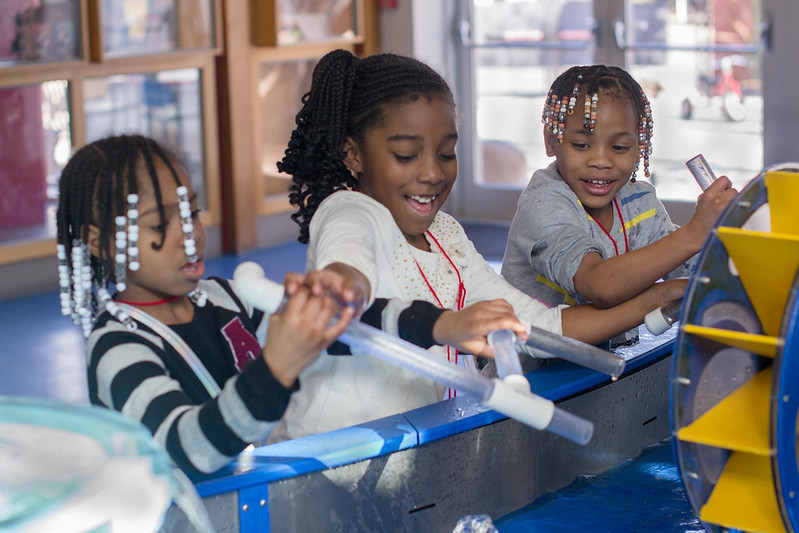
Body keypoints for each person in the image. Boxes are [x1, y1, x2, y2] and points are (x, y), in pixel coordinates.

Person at [269, 50, 687, 441]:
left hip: (417, 441)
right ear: (353, 155)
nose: (432, 173)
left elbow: (539, 327)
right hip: (334, 452)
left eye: (446, 153)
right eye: (407, 155)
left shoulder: (445, 234)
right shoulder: (349, 211)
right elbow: (347, 269)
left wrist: (657, 298)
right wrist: (343, 286)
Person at [55, 134, 528, 473]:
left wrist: (443, 325)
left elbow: (338, 323)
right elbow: (190, 448)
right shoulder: (117, 347)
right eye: (161, 224)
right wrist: (276, 367)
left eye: (191, 212)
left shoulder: (222, 299)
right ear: (99, 241)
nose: (189, 235)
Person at [501, 65, 738, 326]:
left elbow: (691, 266)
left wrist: (728, 240)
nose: (601, 161)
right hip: (530, 353)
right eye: (581, 145)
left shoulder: (641, 203)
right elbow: (599, 284)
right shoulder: (543, 204)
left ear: (639, 148)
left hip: (607, 353)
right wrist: (694, 233)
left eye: (620, 147)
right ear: (550, 141)